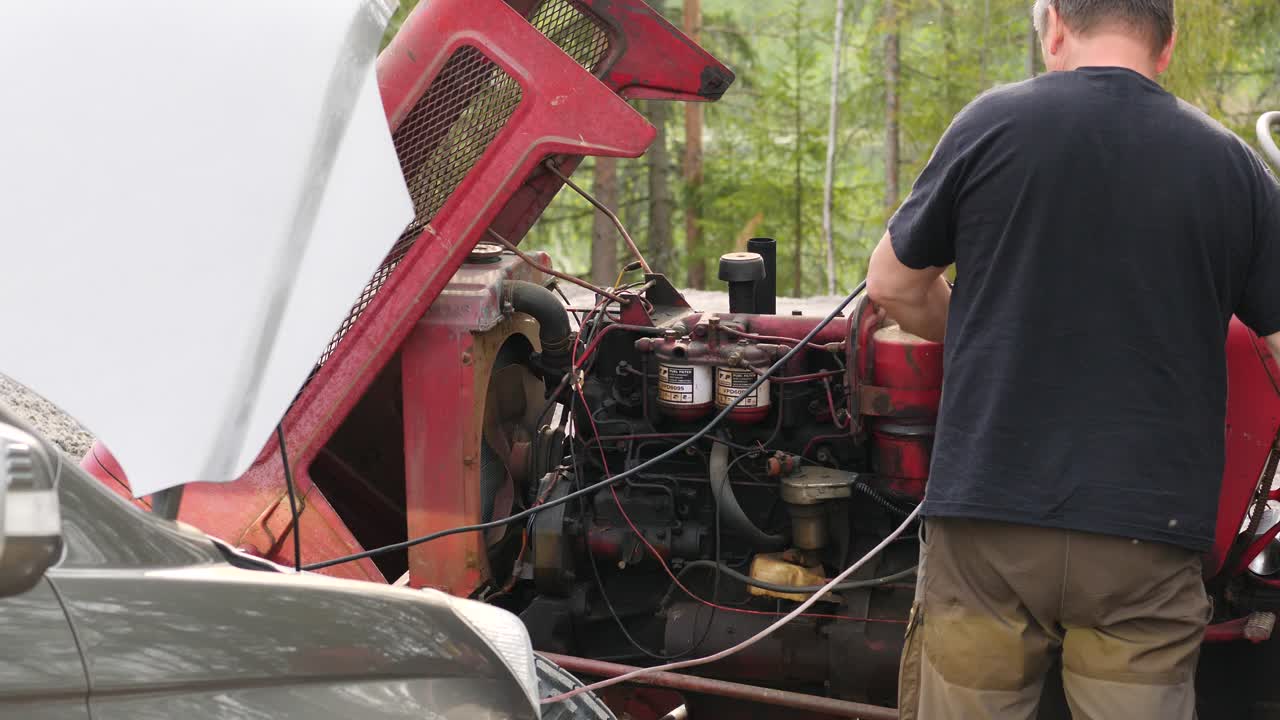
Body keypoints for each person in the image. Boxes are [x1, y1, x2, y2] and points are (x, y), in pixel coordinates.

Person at [865, 0, 1280, 717]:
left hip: (990, 520)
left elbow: (892, 286)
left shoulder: (990, 125)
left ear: (1053, 24)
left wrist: (979, 328)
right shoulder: (1230, 163)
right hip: (1149, 532)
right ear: (1167, 44)